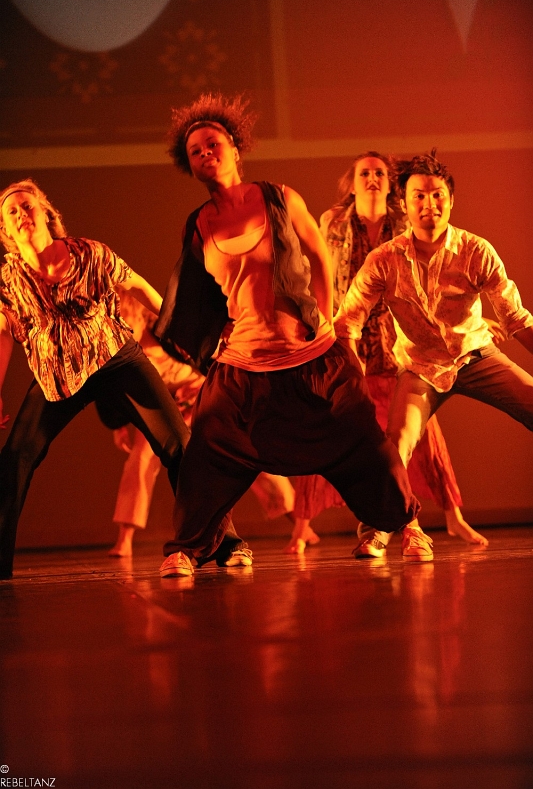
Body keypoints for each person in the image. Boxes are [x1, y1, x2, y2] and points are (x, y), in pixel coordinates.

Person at [154, 92, 422, 579]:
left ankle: (405, 526)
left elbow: (319, 256)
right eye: (195, 151)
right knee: (206, 452)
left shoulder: (279, 197)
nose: (206, 154)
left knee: (363, 438)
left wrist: (326, 320)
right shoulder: (199, 224)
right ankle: (187, 549)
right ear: (188, 165)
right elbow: (195, 296)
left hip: (310, 356)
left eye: (213, 144)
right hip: (244, 365)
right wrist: (211, 341)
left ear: (235, 149)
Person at [286, 152, 490, 556]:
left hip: (398, 336)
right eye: (365, 173)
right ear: (352, 183)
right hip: (350, 332)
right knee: (334, 424)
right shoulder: (333, 222)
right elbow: (318, 273)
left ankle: (451, 516)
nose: (373, 178)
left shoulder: (405, 221)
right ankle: (304, 525)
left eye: (380, 172)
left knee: (420, 429)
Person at [334, 149, 533, 558]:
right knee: (397, 444)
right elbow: (348, 321)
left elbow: (515, 318)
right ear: (405, 205)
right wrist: (350, 378)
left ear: (451, 200)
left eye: (438, 194)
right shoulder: (385, 259)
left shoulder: (475, 250)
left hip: (474, 355)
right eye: (419, 196)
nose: (430, 204)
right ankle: (392, 528)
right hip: (420, 368)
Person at [0, 179, 193, 580]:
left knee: (178, 443)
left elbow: (138, 286)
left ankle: (221, 542)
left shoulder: (89, 253)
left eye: (27, 206)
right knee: (16, 456)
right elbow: (3, 332)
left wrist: (180, 332)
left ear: (45, 212)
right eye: (11, 212)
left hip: (115, 358)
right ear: (5, 230)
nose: (21, 215)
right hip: (56, 375)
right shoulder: (8, 280)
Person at [102, 288, 297, 557]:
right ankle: (125, 539)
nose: (124, 327)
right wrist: (118, 426)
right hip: (163, 407)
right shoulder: (118, 350)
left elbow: (202, 352)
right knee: (140, 461)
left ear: (138, 315)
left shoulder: (164, 332)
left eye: (126, 319)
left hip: (197, 395)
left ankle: (299, 522)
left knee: (242, 451)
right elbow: (109, 387)